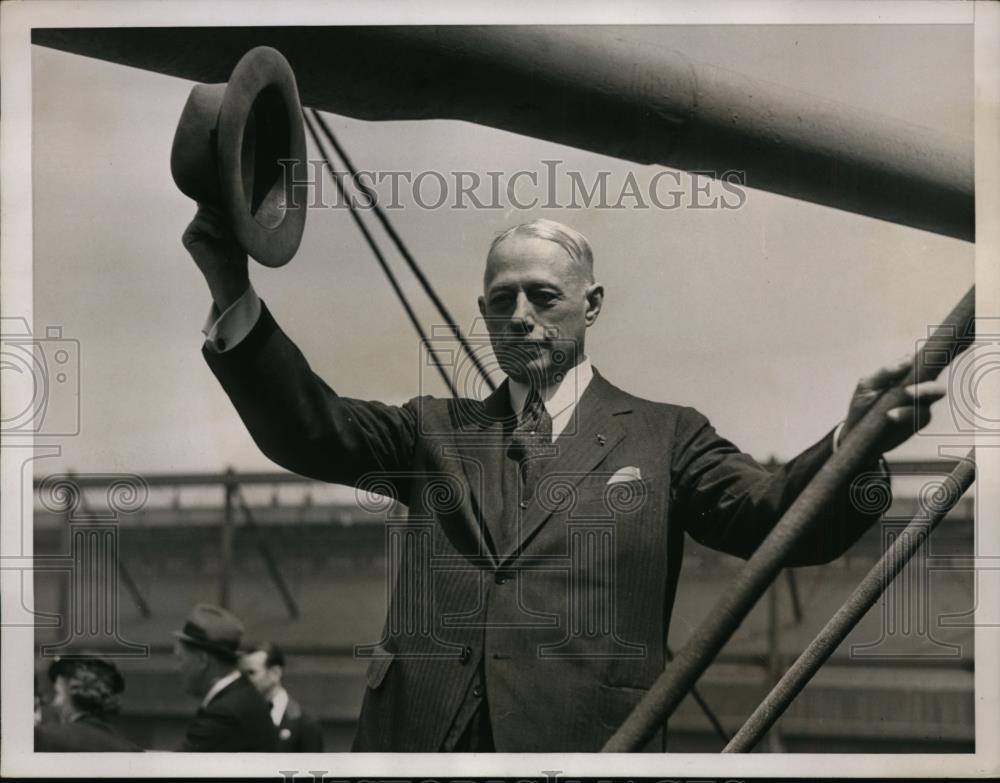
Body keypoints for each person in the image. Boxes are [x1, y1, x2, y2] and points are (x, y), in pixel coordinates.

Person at [183, 209, 945, 752]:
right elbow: (308, 427)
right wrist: (229, 288)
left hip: (587, 745)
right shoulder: (432, 430)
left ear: (592, 304)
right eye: (500, 300)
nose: (520, 316)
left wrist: (853, 446)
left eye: (543, 297)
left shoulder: (665, 434)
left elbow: (772, 515)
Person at [173, 603, 277, 752]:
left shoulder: (224, 713)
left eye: (180, 659)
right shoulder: (243, 697)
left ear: (203, 660)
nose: (177, 668)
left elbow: (172, 770)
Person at [34, 652, 143, 752]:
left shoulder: (43, 738)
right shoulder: (132, 751)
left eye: (58, 693)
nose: (54, 703)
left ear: (71, 693)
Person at [239, 642, 324, 752]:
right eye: (243, 674)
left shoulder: (305, 723)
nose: (245, 680)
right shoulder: (240, 715)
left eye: (251, 673)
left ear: (275, 673)